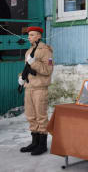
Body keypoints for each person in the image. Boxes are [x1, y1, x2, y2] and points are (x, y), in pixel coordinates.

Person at [18, 26, 54, 156]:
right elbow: (27, 68)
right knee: (31, 115)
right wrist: (21, 77)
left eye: (32, 35)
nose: (29, 37)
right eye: (29, 35)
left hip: (40, 88)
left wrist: (34, 64)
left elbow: (48, 70)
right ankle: (34, 142)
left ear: (39, 36)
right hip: (29, 87)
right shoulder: (29, 51)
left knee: (41, 116)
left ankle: (42, 145)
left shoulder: (46, 51)